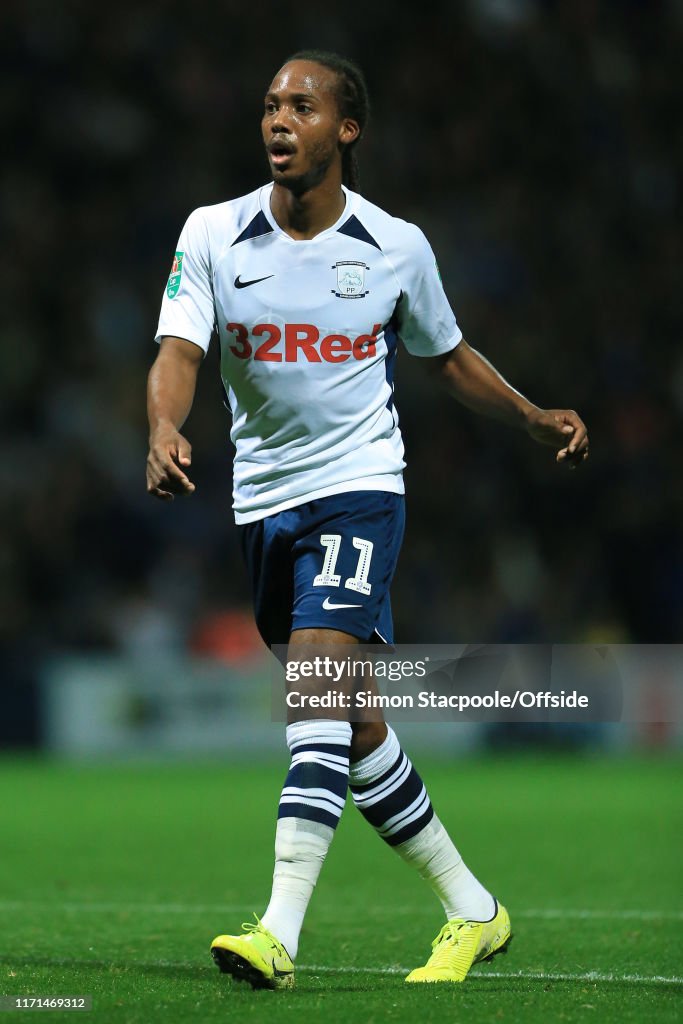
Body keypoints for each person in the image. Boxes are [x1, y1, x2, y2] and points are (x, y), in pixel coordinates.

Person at [147, 50, 589, 990]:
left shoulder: (394, 246)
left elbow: (448, 355)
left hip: (358, 488)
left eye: (300, 106)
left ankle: (278, 932)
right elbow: (179, 348)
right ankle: (474, 910)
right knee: (350, 726)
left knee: (314, 688)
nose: (278, 120)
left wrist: (527, 413)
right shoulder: (213, 234)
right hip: (262, 503)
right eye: (269, 104)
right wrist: (161, 424)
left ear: (345, 130)